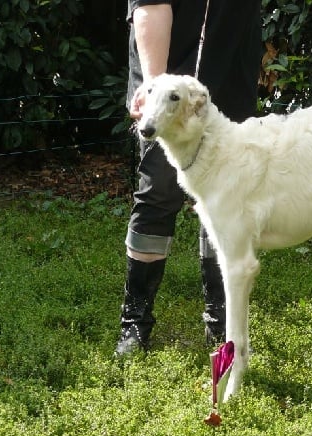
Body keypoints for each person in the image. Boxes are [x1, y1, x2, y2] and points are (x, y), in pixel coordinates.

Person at [116, 0, 262, 355]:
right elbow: (150, 7)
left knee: (226, 195)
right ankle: (135, 323)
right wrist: (154, 87)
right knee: (159, 189)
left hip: (229, 70)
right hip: (163, 67)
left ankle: (222, 322)